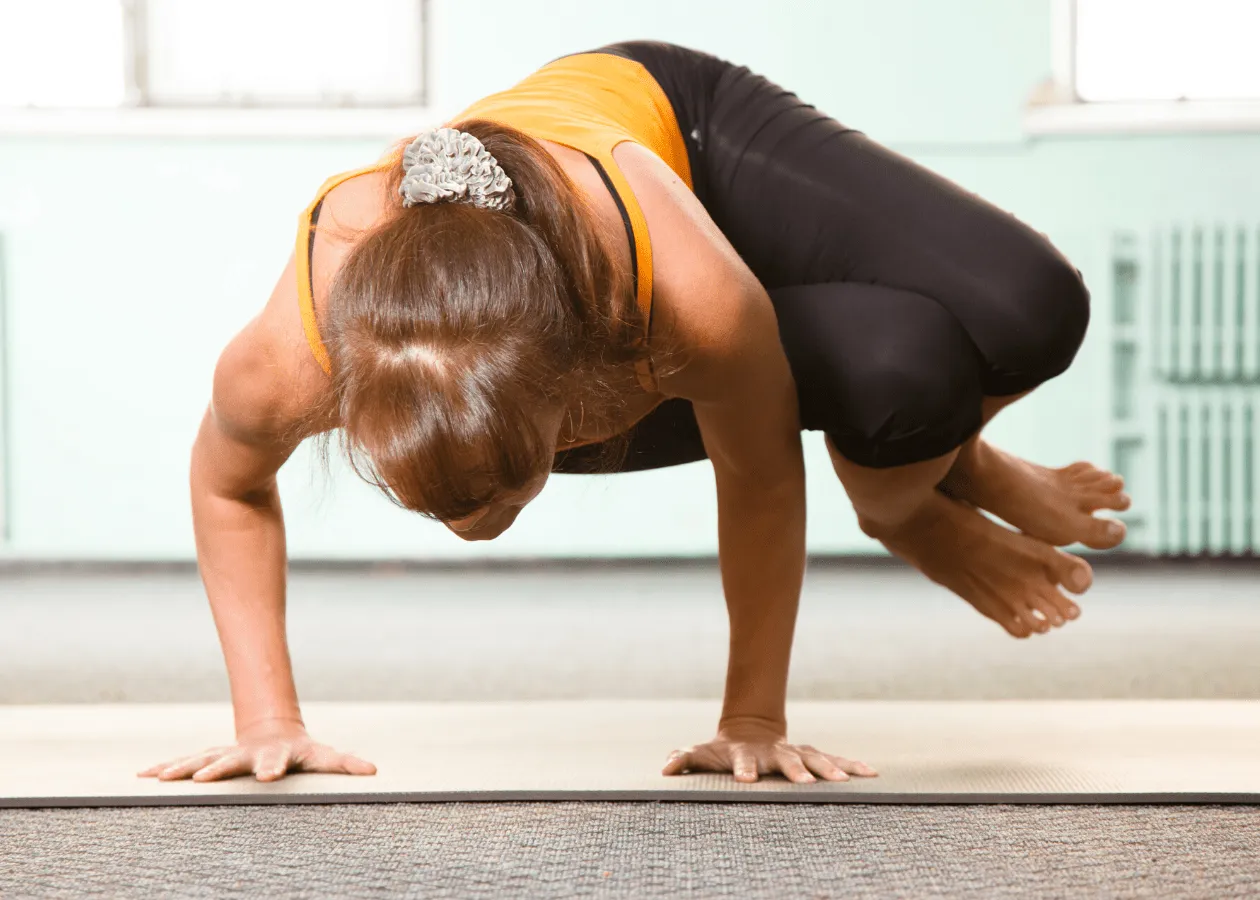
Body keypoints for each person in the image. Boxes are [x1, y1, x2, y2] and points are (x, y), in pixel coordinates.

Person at [140, 41, 1129, 787]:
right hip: (592, 322)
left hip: (685, 143)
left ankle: (918, 496)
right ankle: (928, 476)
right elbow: (226, 484)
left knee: (1033, 308)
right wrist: (267, 719)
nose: (468, 528)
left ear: (572, 401)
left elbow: (758, 476)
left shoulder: (678, 304)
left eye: (489, 496)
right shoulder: (290, 356)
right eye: (432, 508)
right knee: (904, 370)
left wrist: (753, 717)